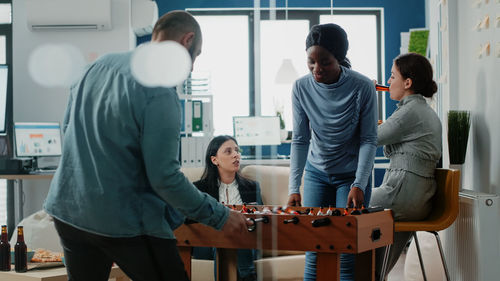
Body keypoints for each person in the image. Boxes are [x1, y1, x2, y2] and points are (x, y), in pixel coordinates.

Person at [43, 10, 250, 281]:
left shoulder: (97, 66)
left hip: (69, 212)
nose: (193, 66)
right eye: (196, 55)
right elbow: (164, 178)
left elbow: (69, 131)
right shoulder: (160, 90)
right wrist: (221, 216)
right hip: (125, 221)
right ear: (187, 40)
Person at [286, 23, 378, 281]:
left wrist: (360, 183)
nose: (317, 69)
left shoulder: (362, 86)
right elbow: (300, 140)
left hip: (351, 178)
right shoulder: (300, 88)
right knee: (313, 250)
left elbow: (369, 139)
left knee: (346, 251)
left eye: (324, 62)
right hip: (316, 174)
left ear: (338, 58)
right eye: (311, 61)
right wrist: (294, 187)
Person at [370, 52, 442, 281]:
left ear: (408, 83)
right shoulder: (417, 110)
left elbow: (372, 137)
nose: (388, 82)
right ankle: (373, 275)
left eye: (392, 77)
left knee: (347, 204)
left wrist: (366, 99)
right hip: (416, 198)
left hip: (404, 196)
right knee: (377, 263)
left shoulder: (410, 112)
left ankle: (361, 273)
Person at [192, 135, 262, 281]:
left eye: (237, 150)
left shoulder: (252, 187)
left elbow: (259, 220)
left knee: (240, 233)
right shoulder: (199, 189)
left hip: (245, 243)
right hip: (207, 243)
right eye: (228, 151)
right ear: (214, 160)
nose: (236, 154)